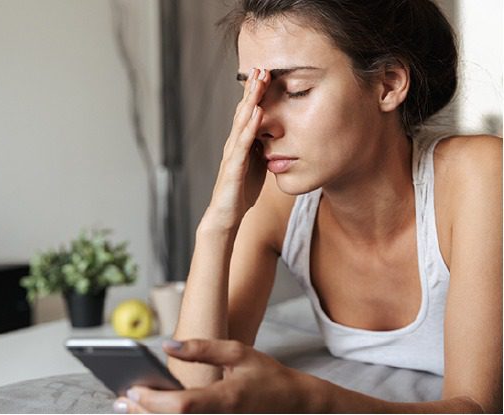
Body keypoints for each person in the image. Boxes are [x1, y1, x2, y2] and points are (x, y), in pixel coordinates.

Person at [115, 0, 502, 412]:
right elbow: (192, 387)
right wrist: (217, 224)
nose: (261, 122)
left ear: (388, 84)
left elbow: (476, 407)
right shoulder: (278, 201)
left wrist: (309, 398)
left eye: (296, 90)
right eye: (252, 91)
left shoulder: (478, 174)